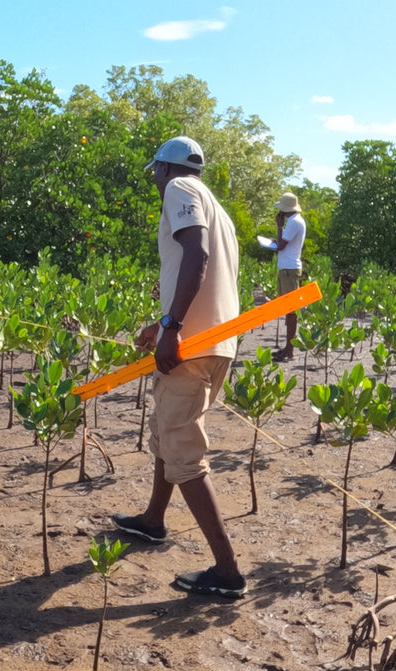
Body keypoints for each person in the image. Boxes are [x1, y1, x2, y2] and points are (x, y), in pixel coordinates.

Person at [112, 135, 246, 599]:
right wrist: (162, 322)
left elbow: (197, 254)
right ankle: (153, 520)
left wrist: (173, 326)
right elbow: (206, 271)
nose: (155, 179)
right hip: (214, 342)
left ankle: (227, 571)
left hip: (191, 345)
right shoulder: (216, 205)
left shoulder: (179, 188)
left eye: (155, 170)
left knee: (185, 454)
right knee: (167, 435)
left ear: (166, 168)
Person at [271, 192, 306, 362]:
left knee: (291, 312)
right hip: (287, 269)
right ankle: (287, 348)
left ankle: (290, 351)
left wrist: (279, 227)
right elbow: (283, 243)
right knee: (287, 310)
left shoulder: (293, 222)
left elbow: (281, 246)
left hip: (289, 271)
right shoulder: (294, 221)